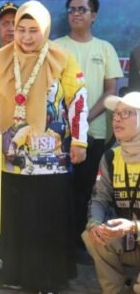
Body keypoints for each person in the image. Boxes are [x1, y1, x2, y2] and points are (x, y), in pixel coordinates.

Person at [0, 0, 89, 293]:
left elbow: (77, 100)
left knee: (47, 217)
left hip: (51, 157)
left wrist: (80, 141)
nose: (26, 37)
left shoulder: (62, 59)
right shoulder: (0, 59)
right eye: (21, 30)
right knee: (15, 216)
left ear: (46, 30)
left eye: (34, 30)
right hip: (11, 156)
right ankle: (13, 275)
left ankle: (47, 279)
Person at [55, 0, 123, 262]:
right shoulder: (55, 47)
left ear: (93, 16)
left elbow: (111, 91)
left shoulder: (105, 49)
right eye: (71, 9)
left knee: (85, 191)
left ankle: (81, 244)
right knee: (59, 191)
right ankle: (60, 245)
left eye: (82, 9)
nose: (76, 14)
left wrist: (84, 119)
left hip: (94, 133)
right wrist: (69, 121)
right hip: (59, 134)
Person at [83, 92, 140, 294]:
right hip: (129, 240)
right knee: (94, 235)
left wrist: (133, 226)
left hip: (133, 230)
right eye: (115, 114)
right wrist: (94, 224)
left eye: (126, 113)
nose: (116, 119)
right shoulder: (110, 156)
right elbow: (99, 198)